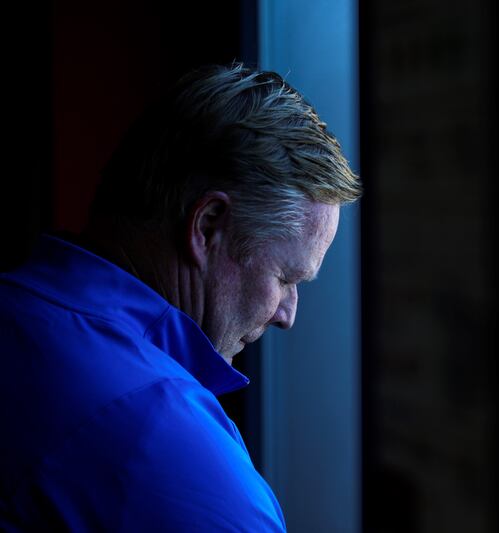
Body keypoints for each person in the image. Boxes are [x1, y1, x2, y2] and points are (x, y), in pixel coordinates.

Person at [0, 63, 361, 531]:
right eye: (287, 277)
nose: (287, 314)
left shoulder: (17, 309)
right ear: (208, 226)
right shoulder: (170, 445)